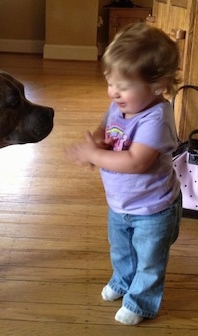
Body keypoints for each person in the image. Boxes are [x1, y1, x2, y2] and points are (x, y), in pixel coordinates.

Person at [66, 23, 182, 325]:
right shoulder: (121, 104)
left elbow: (136, 161)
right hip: (120, 203)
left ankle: (141, 301)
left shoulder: (156, 117)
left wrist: (94, 155)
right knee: (121, 250)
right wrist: (99, 142)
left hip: (153, 208)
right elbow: (107, 129)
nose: (113, 92)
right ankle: (122, 281)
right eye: (110, 81)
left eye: (123, 86)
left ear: (158, 85)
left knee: (150, 261)